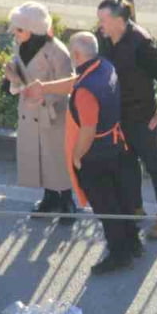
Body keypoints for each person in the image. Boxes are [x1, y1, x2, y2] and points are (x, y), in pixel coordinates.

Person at [94, 0, 157, 240]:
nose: (99, 24)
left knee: (154, 164)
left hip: (142, 116)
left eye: (103, 19)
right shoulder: (104, 37)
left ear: (120, 20)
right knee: (126, 162)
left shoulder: (140, 44)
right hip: (118, 115)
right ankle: (134, 208)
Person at [62, 32, 140, 273]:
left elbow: (88, 129)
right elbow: (75, 82)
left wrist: (76, 156)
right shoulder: (105, 66)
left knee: (107, 206)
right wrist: (44, 88)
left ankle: (119, 255)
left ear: (76, 55)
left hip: (97, 155)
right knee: (122, 197)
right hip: (116, 146)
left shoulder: (85, 91)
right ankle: (133, 242)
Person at [0, 1, 76, 223]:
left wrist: (44, 98)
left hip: (53, 114)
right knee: (39, 157)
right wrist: (12, 76)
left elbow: (68, 85)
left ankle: (67, 200)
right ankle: (49, 197)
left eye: (20, 29)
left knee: (57, 158)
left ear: (34, 30)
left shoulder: (57, 52)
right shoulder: (20, 46)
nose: (15, 33)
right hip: (29, 111)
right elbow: (22, 71)